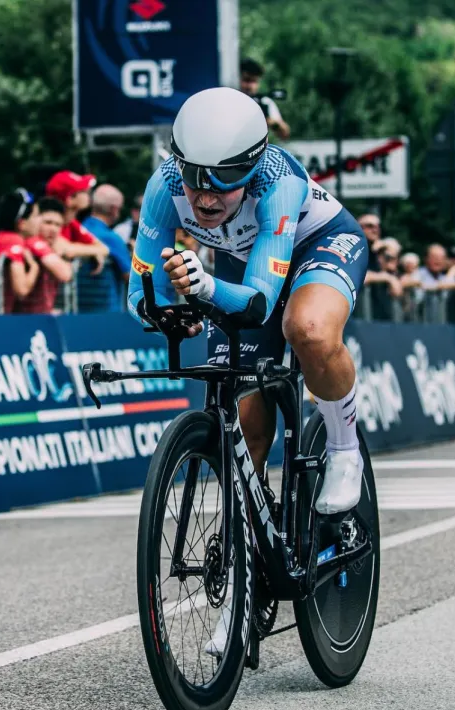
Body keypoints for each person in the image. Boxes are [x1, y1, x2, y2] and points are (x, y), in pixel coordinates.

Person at [130, 88, 371, 656]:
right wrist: (168, 309)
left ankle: (342, 446)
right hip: (243, 261)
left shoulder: (276, 182)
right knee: (242, 424)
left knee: (306, 329)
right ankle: (245, 587)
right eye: (194, 177)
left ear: (252, 165)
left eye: (223, 179)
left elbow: (261, 302)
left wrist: (205, 287)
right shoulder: (164, 187)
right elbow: (144, 289)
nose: (205, 196)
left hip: (315, 244)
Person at [14, 196, 75, 315]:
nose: (53, 229)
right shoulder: (32, 242)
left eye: (58, 225)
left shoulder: (49, 246)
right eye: (48, 223)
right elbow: (65, 274)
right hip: (24, 318)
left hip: (39, 316)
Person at [79, 184, 132, 313]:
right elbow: (131, 277)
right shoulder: (112, 238)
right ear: (114, 209)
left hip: (76, 309)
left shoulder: (79, 229)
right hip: (106, 311)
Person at [239, 58, 290, 140]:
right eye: (247, 80)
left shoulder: (264, 102)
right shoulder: (231, 100)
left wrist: (269, 121)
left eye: (254, 81)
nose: (250, 86)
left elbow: (284, 133)